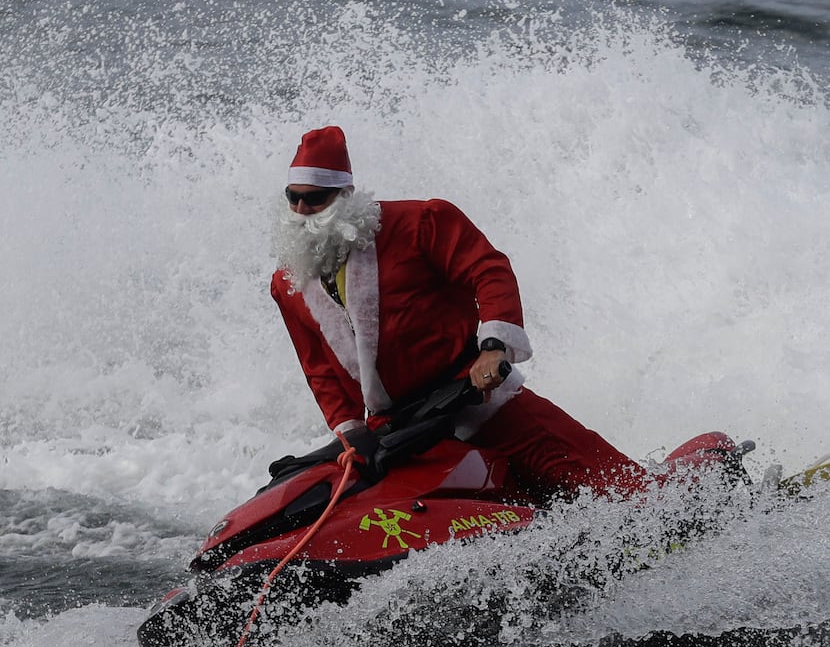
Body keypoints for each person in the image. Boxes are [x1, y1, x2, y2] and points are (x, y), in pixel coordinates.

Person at [270, 125, 657, 502]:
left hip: (476, 397)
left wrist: (494, 348)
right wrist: (350, 431)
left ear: (345, 195)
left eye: (315, 198)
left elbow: (488, 271)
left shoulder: (420, 223)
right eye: (294, 197)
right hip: (397, 431)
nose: (302, 210)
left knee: (604, 485)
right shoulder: (288, 285)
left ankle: (661, 501)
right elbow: (318, 368)